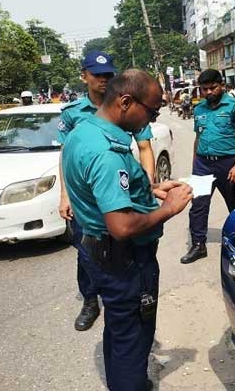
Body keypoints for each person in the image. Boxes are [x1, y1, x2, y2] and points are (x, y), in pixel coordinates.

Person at [62, 69, 193, 390]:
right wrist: (169, 208)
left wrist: (151, 191)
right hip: (124, 259)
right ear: (125, 102)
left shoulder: (85, 131)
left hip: (101, 252)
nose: (152, 118)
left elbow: (104, 193)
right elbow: (121, 226)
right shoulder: (106, 153)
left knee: (120, 329)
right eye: (151, 110)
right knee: (133, 335)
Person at [57, 51, 157, 332]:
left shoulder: (130, 107)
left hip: (117, 188)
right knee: (88, 246)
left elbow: (145, 147)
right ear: (84, 76)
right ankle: (91, 301)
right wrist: (65, 195)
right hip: (88, 195)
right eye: (97, 74)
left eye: (107, 75)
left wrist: (147, 184)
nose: (103, 79)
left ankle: (118, 302)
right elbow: (66, 154)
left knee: (116, 251)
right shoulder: (74, 113)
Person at [181, 69, 235, 264]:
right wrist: (195, 163)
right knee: (198, 206)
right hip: (203, 164)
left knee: (234, 206)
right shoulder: (199, 109)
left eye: (213, 88)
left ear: (221, 85)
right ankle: (198, 245)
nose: (209, 92)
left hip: (228, 164)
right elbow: (198, 137)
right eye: (205, 89)